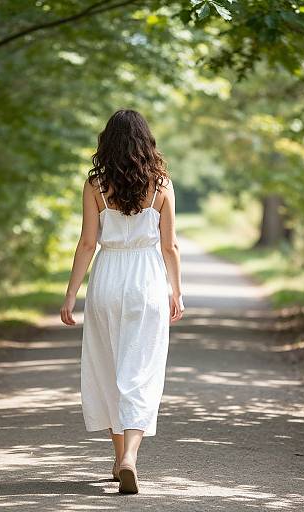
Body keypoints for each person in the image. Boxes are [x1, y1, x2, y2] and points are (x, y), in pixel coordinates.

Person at [60, 109, 184, 494]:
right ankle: (130, 455)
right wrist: (176, 291)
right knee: (141, 370)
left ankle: (117, 460)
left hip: (108, 278)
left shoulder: (95, 185)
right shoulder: (161, 184)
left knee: (109, 367)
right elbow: (170, 246)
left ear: (107, 143)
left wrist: (70, 295)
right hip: (147, 280)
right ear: (146, 142)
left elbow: (86, 243)